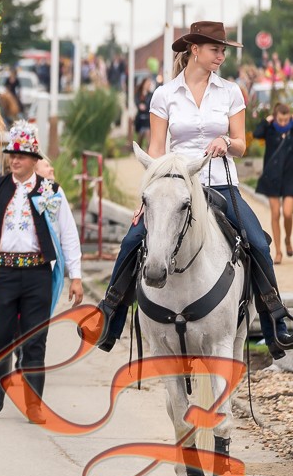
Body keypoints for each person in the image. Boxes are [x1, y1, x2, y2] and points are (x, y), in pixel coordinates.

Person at [93, 21, 293, 359]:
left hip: (221, 181)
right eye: (216, 49)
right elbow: (156, 149)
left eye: (224, 50)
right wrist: (148, 197)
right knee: (131, 239)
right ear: (195, 50)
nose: (221, 55)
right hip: (175, 184)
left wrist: (226, 141)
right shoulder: (164, 94)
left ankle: (276, 322)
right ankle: (109, 317)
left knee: (257, 240)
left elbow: (242, 145)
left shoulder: (230, 91)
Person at [0, 121, 82, 423]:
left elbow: (68, 235)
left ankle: (34, 403)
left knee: (36, 338)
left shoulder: (51, 191)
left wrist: (76, 276)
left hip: (37, 274)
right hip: (3, 272)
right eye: (12, 155)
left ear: (34, 159)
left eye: (21, 155)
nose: (15, 160)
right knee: (1, 335)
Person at [253, 103, 293, 264]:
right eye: (280, 120)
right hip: (272, 178)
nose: (283, 123)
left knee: (288, 213)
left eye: (286, 120)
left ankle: (288, 240)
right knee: (275, 214)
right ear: (276, 117)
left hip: (290, 177)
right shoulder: (269, 129)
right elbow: (256, 133)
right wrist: (267, 120)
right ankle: (278, 252)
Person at [134, 77, 154, 148]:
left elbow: (150, 105)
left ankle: (148, 152)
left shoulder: (151, 94)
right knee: (140, 138)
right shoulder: (138, 94)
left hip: (147, 118)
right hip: (140, 118)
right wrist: (139, 105)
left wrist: (145, 107)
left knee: (148, 135)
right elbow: (137, 102)